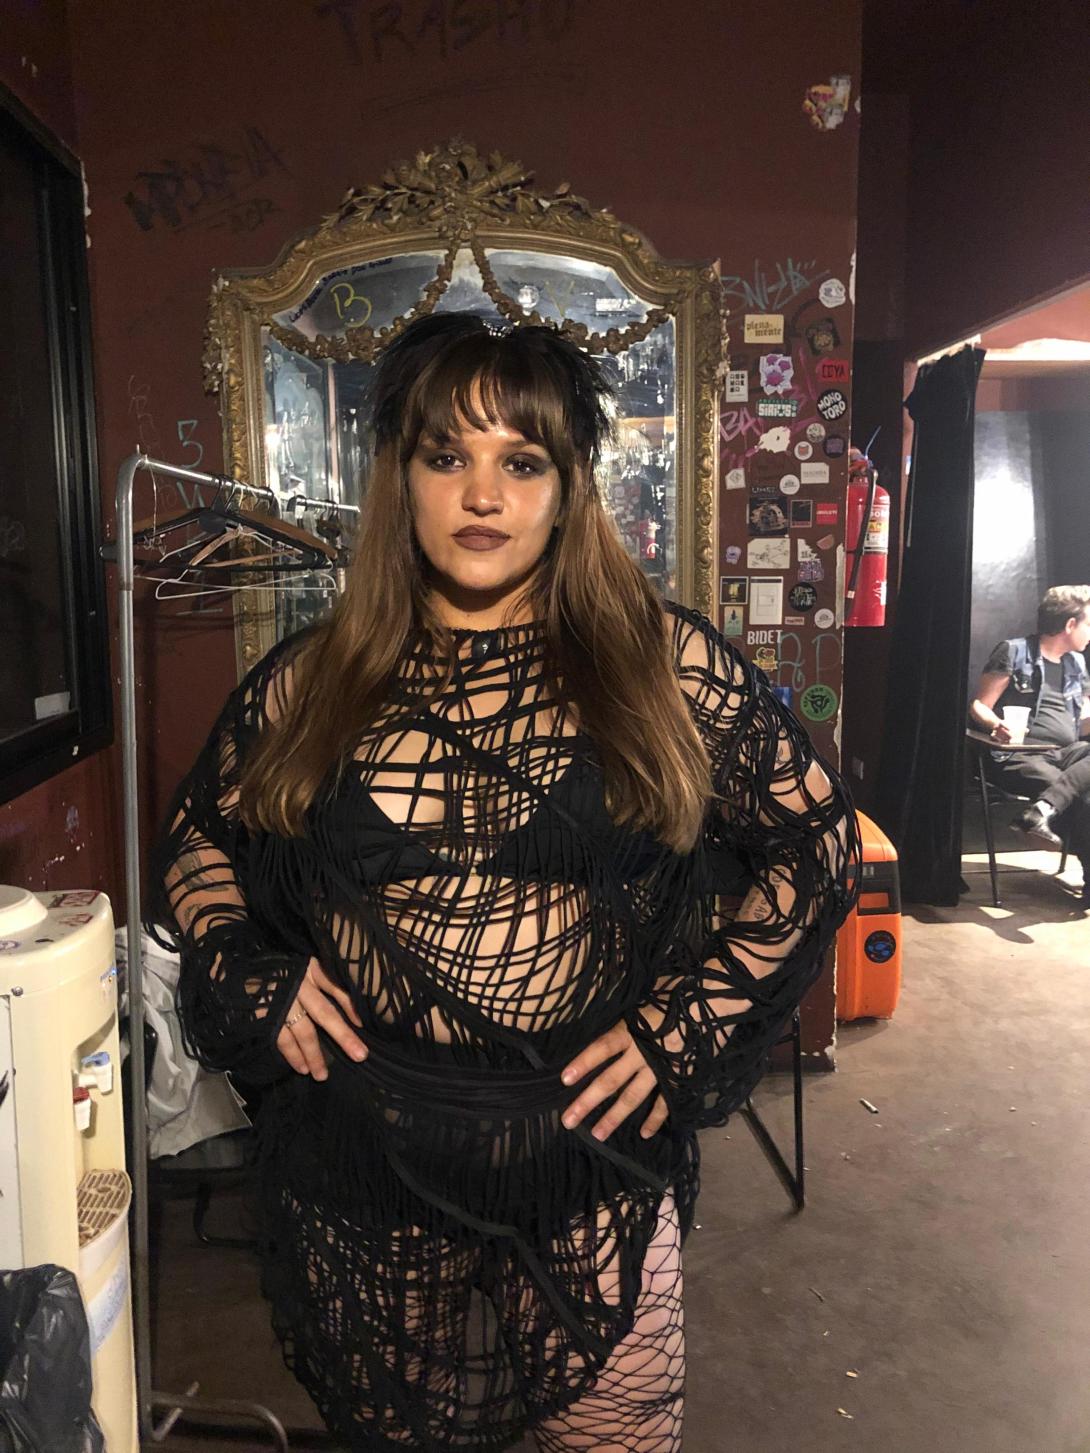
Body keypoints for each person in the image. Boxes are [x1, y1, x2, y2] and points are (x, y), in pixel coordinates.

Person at [148, 312, 858, 1452]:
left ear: (568, 490)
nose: (483, 494)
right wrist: (244, 967)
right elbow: (199, 838)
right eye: (448, 456)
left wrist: (684, 1025)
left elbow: (813, 847)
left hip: (586, 1152)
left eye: (521, 462)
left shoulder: (660, 664)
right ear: (401, 478)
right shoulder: (313, 681)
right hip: (367, 1155)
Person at [969, 585, 1090, 908]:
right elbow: (979, 706)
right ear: (1070, 625)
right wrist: (996, 725)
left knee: (1075, 785)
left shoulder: (1077, 663)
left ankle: (1041, 811)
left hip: (1067, 753)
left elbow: (1083, 720)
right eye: (1089, 624)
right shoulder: (1013, 652)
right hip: (1018, 753)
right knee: (1081, 796)